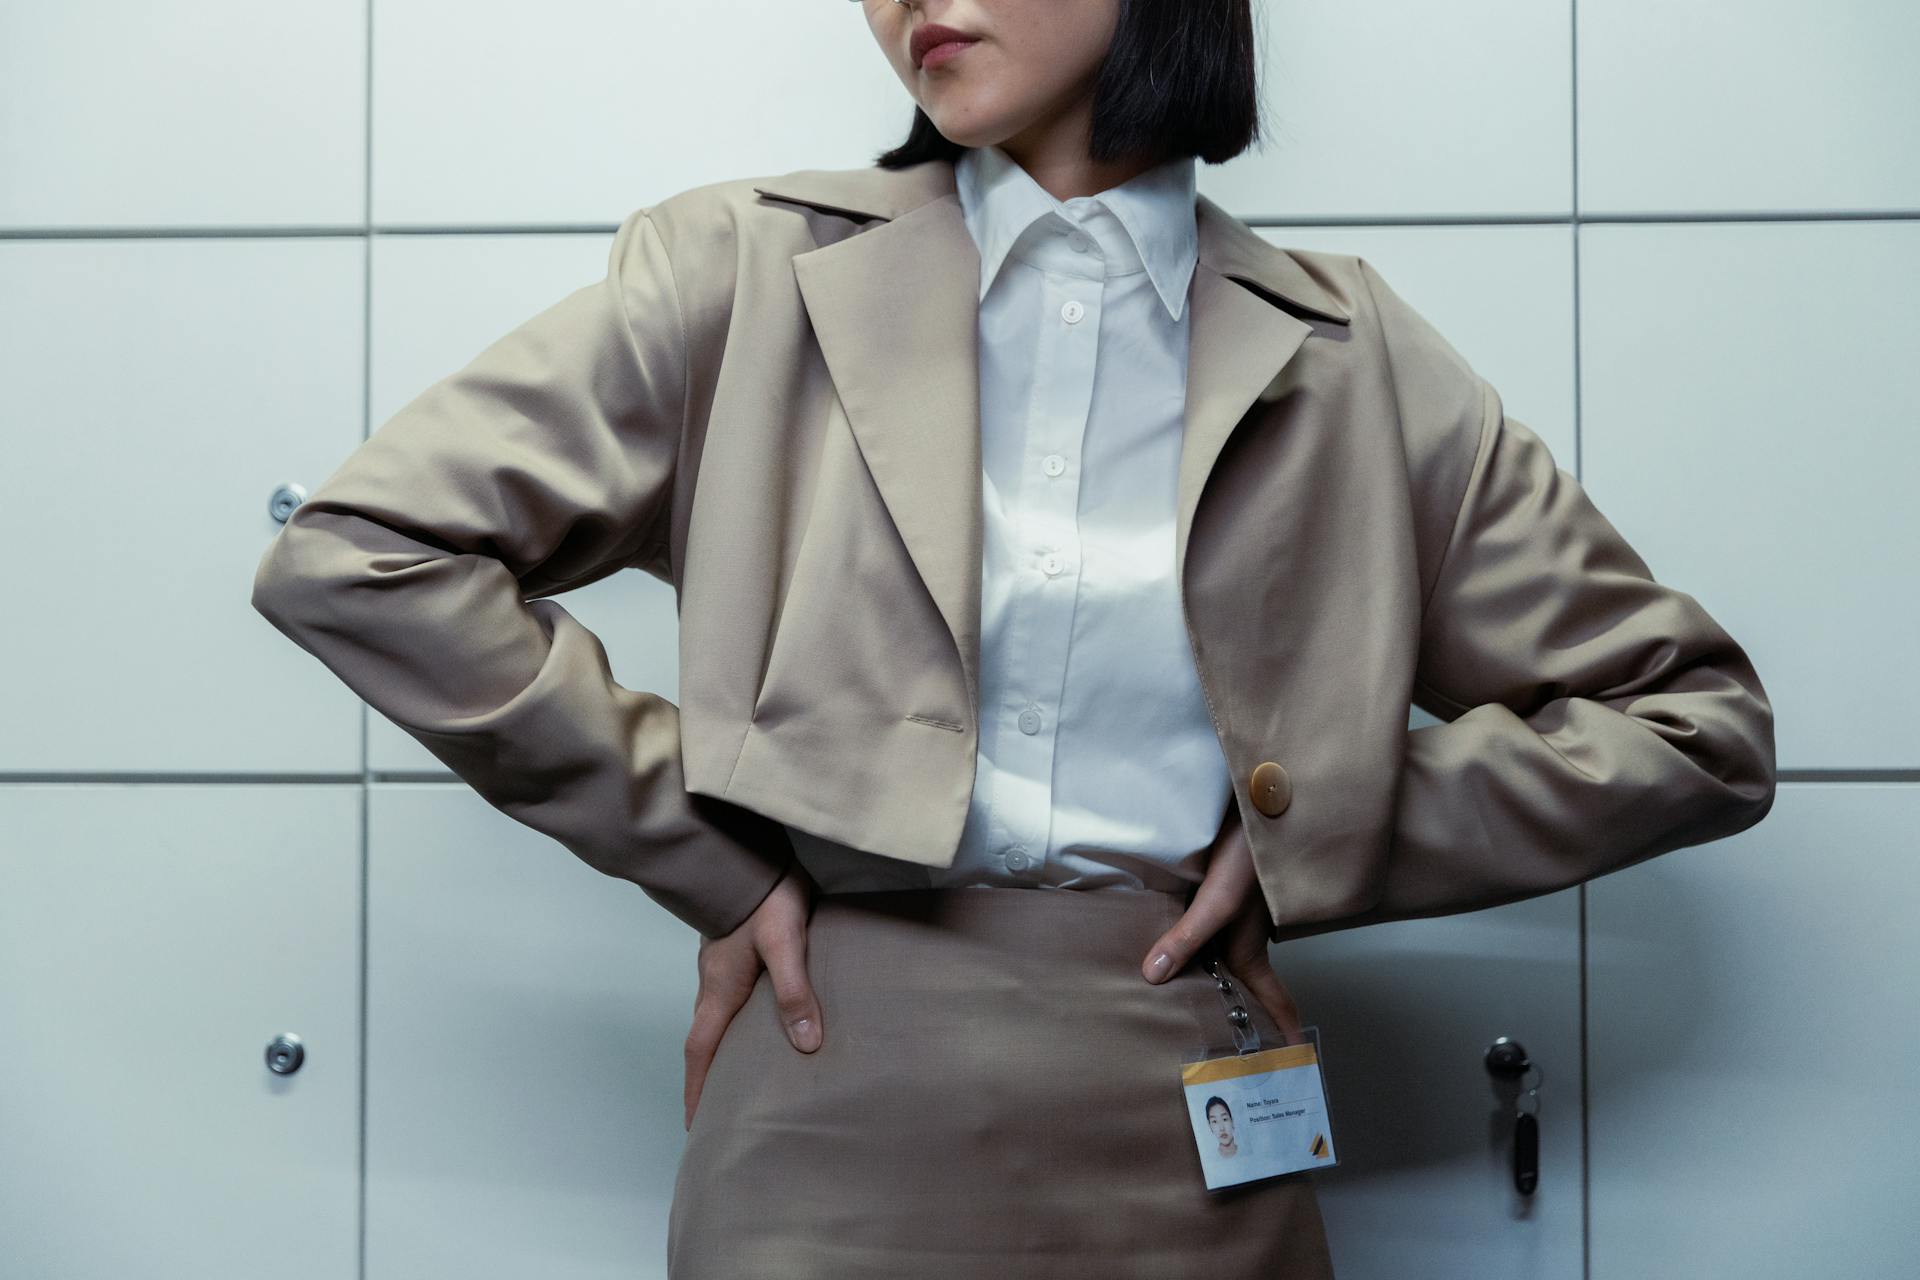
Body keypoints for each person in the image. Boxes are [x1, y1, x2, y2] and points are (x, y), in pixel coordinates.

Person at [250, 0, 1777, 1274]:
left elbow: (1693, 722)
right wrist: (707, 849)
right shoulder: (739, 273)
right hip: (828, 1097)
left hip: (1196, 1122)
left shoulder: (1357, 358)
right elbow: (366, 554)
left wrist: (1324, 830)